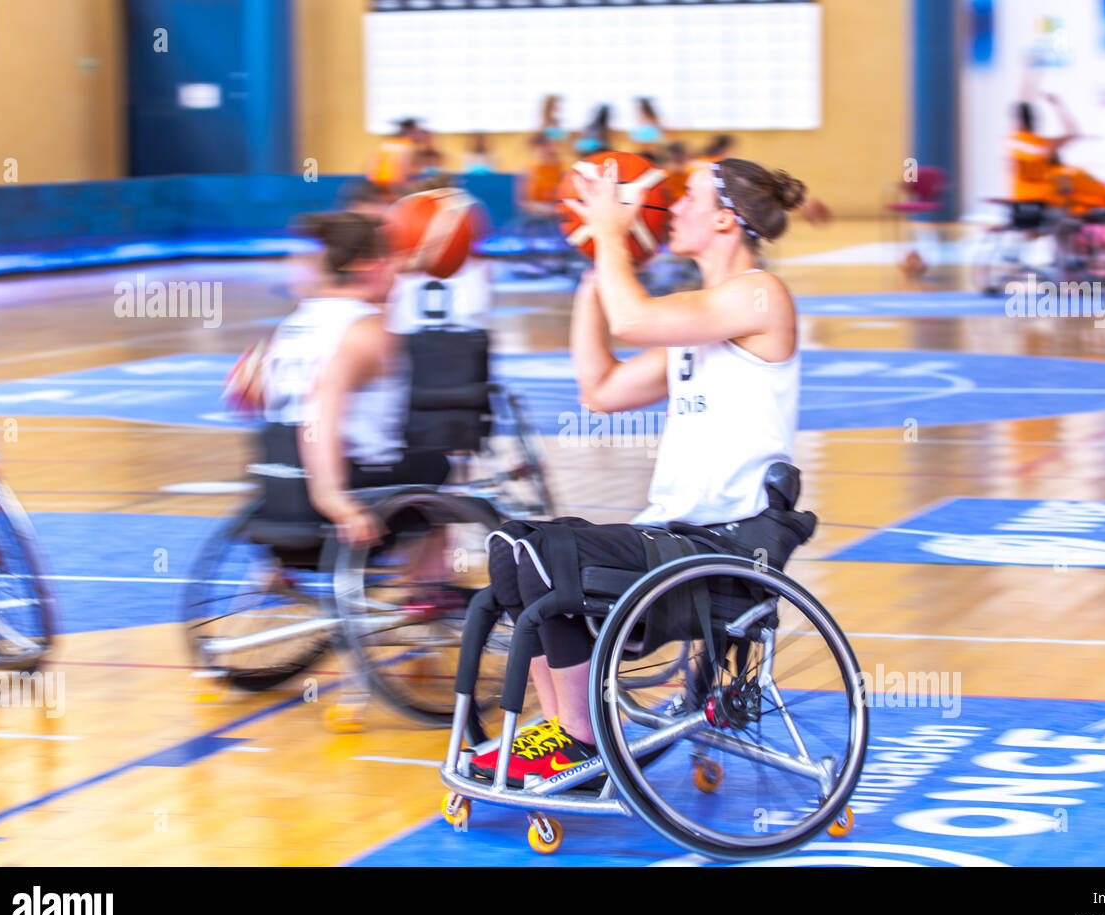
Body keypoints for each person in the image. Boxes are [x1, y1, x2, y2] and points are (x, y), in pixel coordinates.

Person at [469, 156, 815, 784]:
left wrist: (609, 234)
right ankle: (564, 733)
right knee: (514, 549)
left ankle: (582, 742)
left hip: (723, 545)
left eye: (688, 197)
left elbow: (632, 319)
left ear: (725, 220)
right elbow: (600, 389)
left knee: (544, 552)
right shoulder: (702, 323)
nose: (672, 206)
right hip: (674, 536)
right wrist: (591, 279)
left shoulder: (760, 295)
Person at [258, 212, 450, 546]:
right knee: (440, 466)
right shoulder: (366, 329)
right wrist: (331, 497)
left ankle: (274, 568)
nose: (399, 272)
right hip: (352, 479)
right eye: (392, 261)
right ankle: (424, 576)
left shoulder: (292, 325)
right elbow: (321, 403)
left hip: (282, 484)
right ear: (374, 266)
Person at [1008, 95, 1105, 214]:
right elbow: (1072, 133)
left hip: (1026, 198)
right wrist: (1058, 106)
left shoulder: (1015, 143)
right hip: (1045, 199)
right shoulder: (1040, 146)